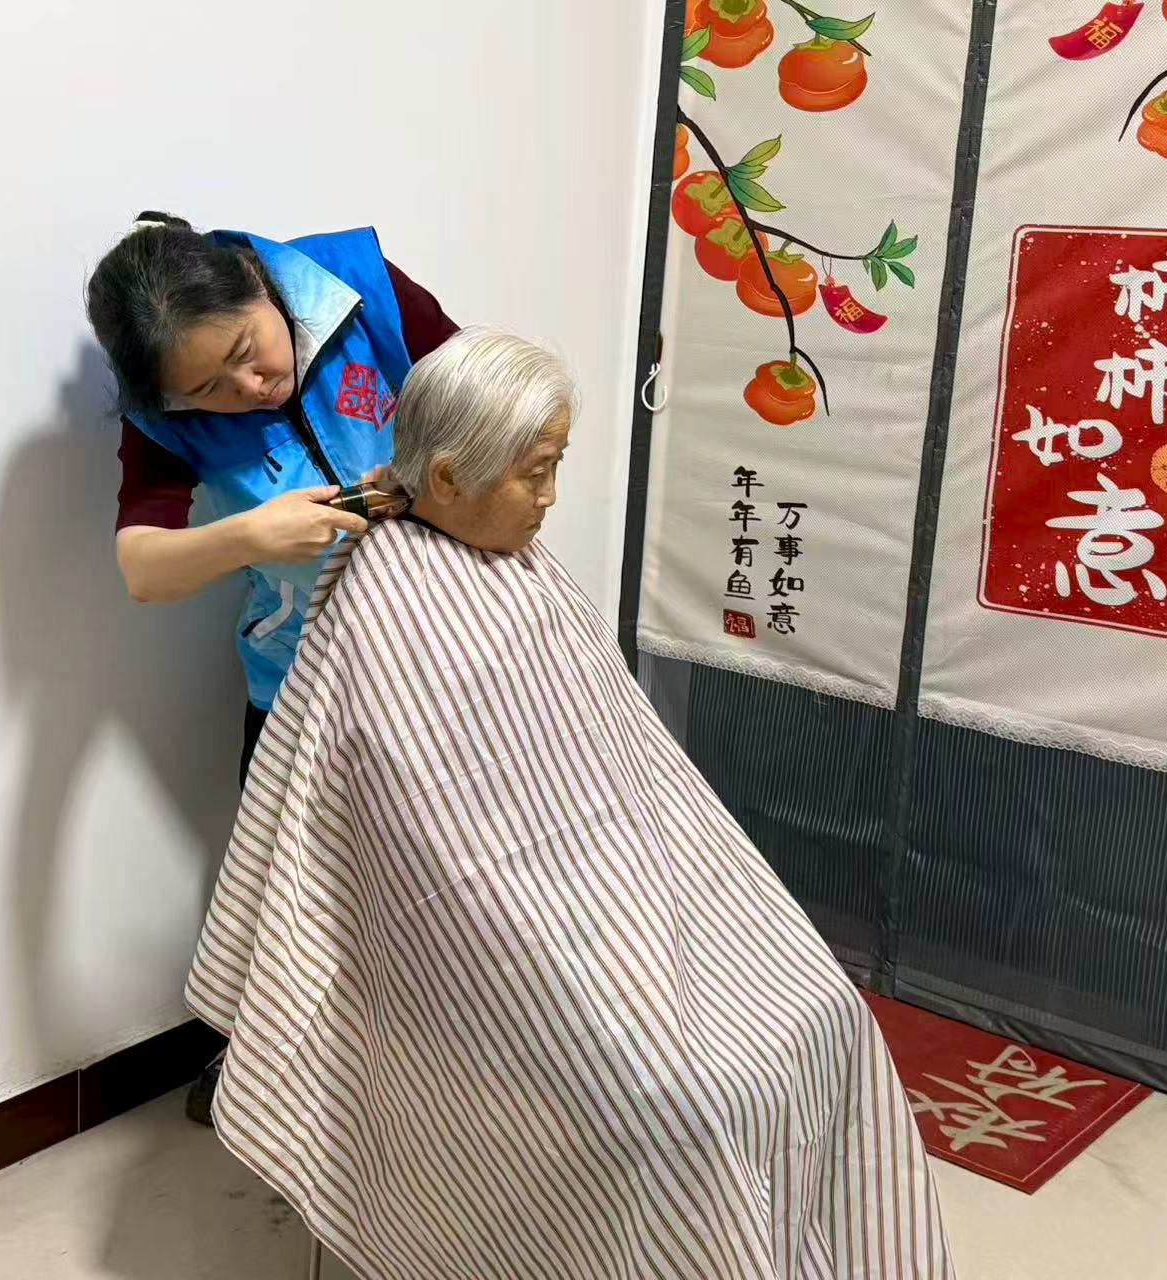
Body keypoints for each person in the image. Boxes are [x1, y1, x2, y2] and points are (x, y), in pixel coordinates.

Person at [185, 330, 954, 1279]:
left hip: (631, 898)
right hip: (508, 941)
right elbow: (439, 856)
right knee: (684, 1109)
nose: (551, 496)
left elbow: (632, 778)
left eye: (556, 465)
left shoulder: (522, 568)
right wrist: (577, 944)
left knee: (828, 1011)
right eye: (535, 471)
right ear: (450, 478)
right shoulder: (387, 603)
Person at [84, 216, 457, 1123]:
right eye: (207, 391)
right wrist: (249, 535)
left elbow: (493, 401)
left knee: (448, 878)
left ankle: (440, 1071)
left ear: (260, 284)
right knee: (292, 891)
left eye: (246, 354)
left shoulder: (358, 287)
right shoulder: (163, 418)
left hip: (442, 653)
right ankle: (273, 1071)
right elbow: (143, 568)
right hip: (297, 682)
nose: (248, 390)